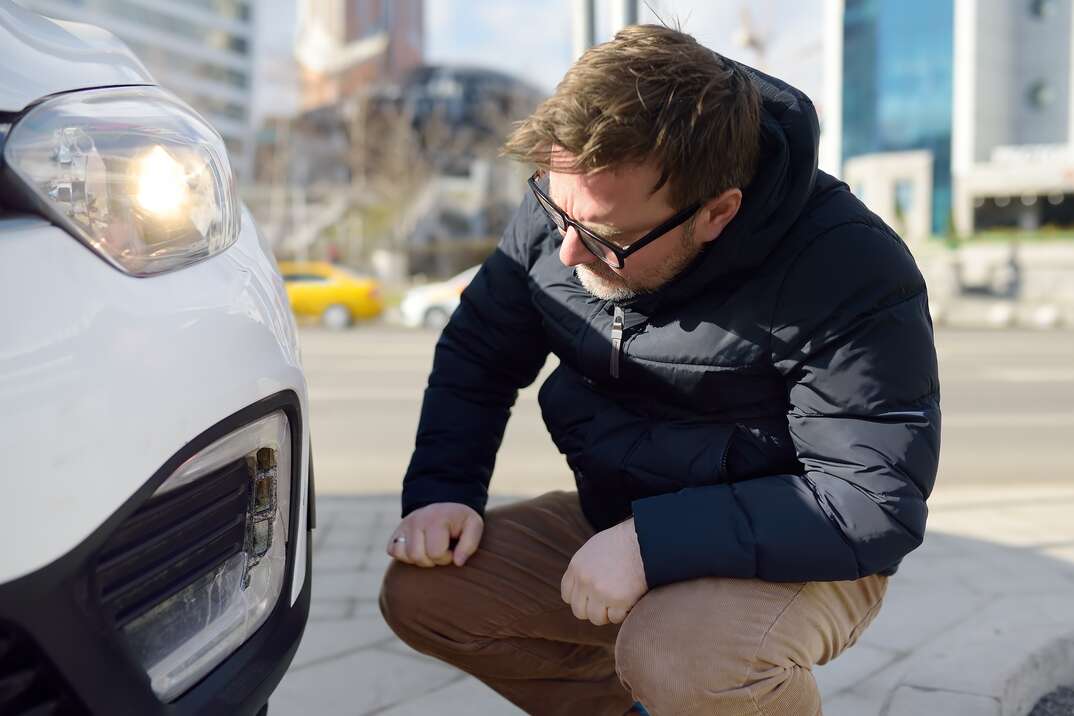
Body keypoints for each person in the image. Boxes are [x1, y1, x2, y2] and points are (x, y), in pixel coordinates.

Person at [379, 24, 940, 716]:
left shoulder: (846, 266)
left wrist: (655, 543)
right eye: (556, 209)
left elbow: (869, 501)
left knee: (685, 659)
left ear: (717, 213)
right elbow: (478, 354)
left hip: (803, 543)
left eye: (605, 239)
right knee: (427, 594)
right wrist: (443, 489)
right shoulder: (573, 214)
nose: (567, 255)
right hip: (623, 520)